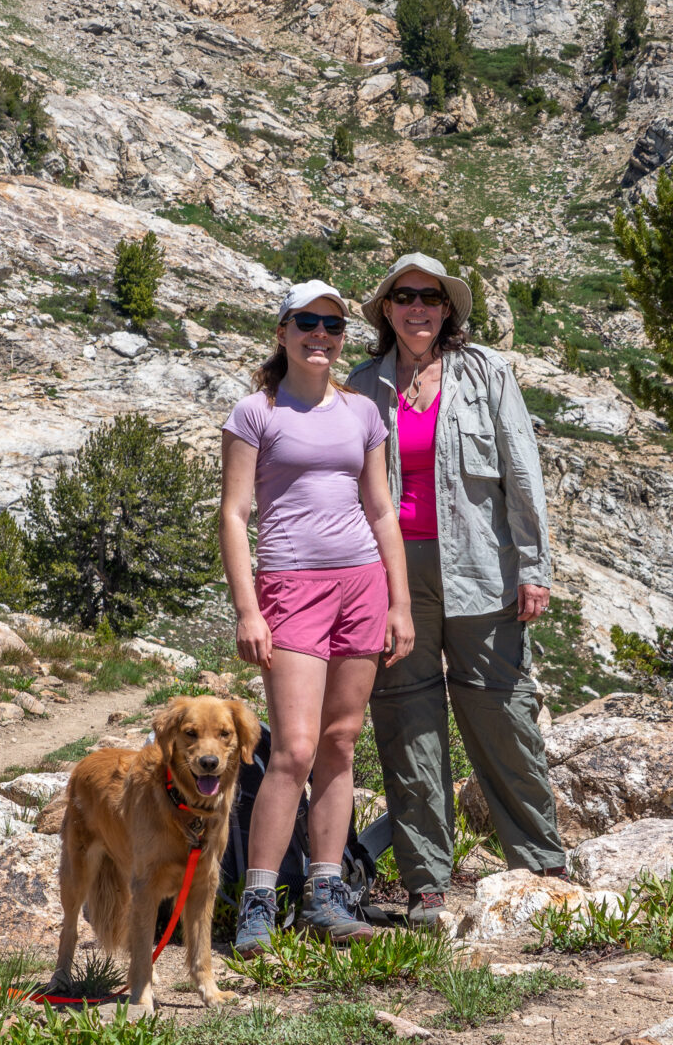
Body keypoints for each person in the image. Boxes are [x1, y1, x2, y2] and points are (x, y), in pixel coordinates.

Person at [347, 253, 561, 928]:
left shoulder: (488, 373)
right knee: (407, 722)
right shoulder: (362, 386)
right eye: (405, 296)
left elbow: (522, 474)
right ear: (387, 309)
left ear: (448, 311)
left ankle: (541, 862)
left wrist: (535, 566)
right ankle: (426, 882)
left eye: (431, 299)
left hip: (483, 569)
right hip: (392, 576)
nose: (418, 308)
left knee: (502, 714)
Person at [220, 280, 414, 955]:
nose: (321, 336)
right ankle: (259, 898)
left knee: (339, 742)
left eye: (332, 326)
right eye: (308, 323)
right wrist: (248, 608)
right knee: (294, 749)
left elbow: (382, 509)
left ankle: (325, 894)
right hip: (290, 586)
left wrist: (400, 601)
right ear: (282, 331)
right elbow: (235, 514)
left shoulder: (361, 413)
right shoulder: (256, 412)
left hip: (360, 584)